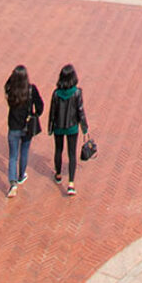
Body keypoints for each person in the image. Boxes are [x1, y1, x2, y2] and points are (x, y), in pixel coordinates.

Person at [47, 64, 90, 196]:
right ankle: (71, 183)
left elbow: (52, 112)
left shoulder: (56, 93)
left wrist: (50, 127)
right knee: (72, 154)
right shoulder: (77, 92)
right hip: (72, 127)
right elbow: (80, 111)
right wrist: (84, 128)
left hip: (58, 127)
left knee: (58, 150)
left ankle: (58, 174)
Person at [4, 64, 43, 197]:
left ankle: (13, 183)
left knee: (13, 156)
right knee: (24, 151)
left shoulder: (11, 90)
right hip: (27, 126)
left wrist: (13, 78)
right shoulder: (31, 89)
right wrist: (35, 115)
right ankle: (21, 175)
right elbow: (40, 106)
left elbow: (7, 85)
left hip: (13, 126)